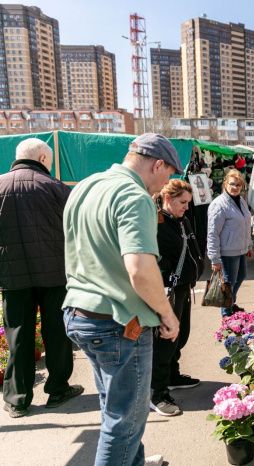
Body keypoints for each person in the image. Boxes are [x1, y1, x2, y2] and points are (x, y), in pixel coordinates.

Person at [62, 133, 181, 466]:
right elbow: (141, 270)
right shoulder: (134, 195)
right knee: (124, 419)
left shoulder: (85, 186)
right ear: (158, 164)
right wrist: (167, 314)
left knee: (117, 410)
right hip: (118, 322)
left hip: (80, 313)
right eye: (168, 174)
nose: (165, 184)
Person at [0, 138, 83, 418]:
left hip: (12, 277)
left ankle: (17, 399)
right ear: (44, 159)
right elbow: (76, 232)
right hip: (55, 275)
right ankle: (58, 389)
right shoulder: (57, 188)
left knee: (18, 335)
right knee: (57, 333)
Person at [151, 179, 204, 417]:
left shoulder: (180, 220)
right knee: (165, 341)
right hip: (168, 290)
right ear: (168, 199)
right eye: (182, 202)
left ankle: (172, 375)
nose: (186, 207)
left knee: (179, 336)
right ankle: (157, 392)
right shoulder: (158, 222)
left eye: (188, 203)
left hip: (182, 286)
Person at [207, 169, 253, 315]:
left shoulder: (241, 201)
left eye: (239, 185)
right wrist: (214, 258)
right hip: (227, 252)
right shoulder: (218, 204)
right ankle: (226, 315)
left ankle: (230, 304)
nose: (236, 188)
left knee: (240, 277)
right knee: (228, 284)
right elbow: (212, 232)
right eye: (233, 184)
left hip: (240, 249)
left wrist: (249, 245)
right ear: (225, 183)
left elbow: (245, 225)